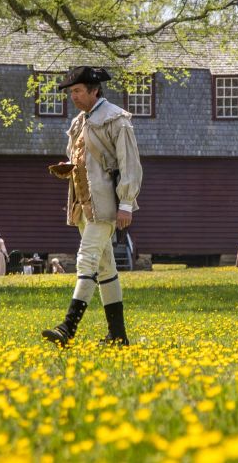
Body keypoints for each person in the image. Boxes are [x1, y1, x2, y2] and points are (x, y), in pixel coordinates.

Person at [42, 66, 143, 347]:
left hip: (105, 203)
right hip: (82, 204)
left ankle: (67, 328)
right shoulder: (79, 122)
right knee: (105, 267)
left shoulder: (116, 120)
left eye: (77, 91)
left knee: (85, 260)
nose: (72, 96)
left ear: (94, 90)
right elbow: (84, 159)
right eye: (71, 92)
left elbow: (130, 165)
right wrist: (69, 168)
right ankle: (118, 335)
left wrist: (125, 204)